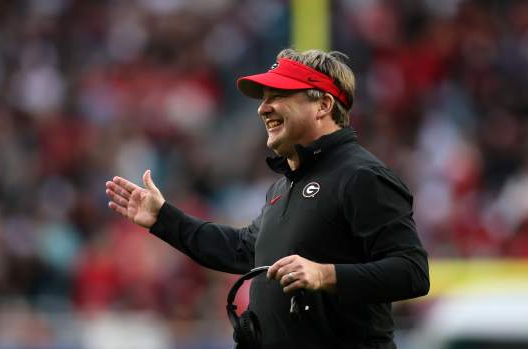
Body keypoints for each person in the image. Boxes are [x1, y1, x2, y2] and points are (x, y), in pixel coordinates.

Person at [105, 48, 429, 349]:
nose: (263, 108)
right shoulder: (283, 187)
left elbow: (412, 272)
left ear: (323, 105)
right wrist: (163, 218)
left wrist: (324, 274)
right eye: (264, 98)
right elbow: (243, 251)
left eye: (280, 96)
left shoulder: (362, 176)